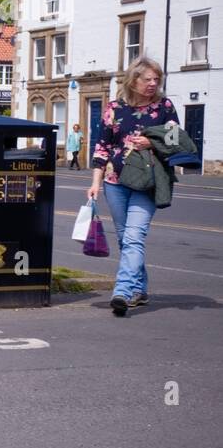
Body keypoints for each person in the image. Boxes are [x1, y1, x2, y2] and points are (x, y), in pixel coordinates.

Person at [86, 56, 179, 316]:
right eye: (147, 79)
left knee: (134, 237)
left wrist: (152, 143)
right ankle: (139, 289)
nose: (153, 84)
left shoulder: (165, 108)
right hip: (115, 182)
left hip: (148, 182)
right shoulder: (114, 108)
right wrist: (95, 182)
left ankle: (123, 292)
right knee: (125, 238)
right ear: (133, 79)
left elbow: (174, 141)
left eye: (156, 79)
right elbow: (102, 147)